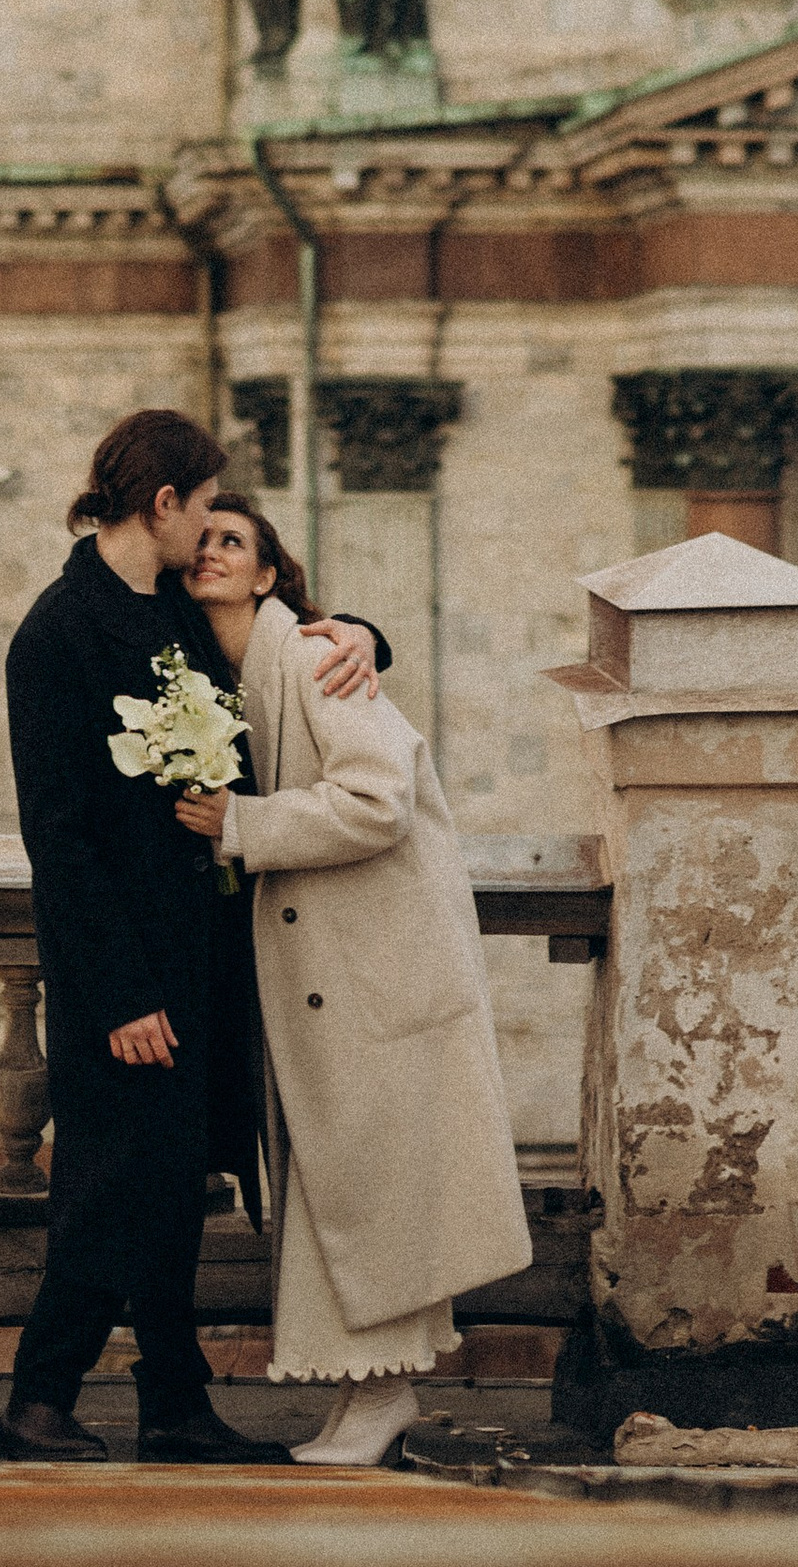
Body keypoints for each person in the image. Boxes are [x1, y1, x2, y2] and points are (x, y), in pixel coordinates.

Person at [0, 407, 386, 1466]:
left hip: (204, 957)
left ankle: (173, 1404)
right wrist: (120, 996)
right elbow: (60, 841)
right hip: (120, 975)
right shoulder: (57, 633)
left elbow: (278, 616)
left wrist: (359, 635)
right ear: (162, 505)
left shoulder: (168, 601)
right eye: (207, 505)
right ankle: (39, 1401)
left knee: (171, 1190)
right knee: (107, 1188)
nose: (215, 527)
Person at [177, 494, 531, 1471]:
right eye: (198, 541)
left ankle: (381, 1400)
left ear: (266, 573)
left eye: (233, 542)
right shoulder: (215, 672)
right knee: (335, 1188)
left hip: (370, 972)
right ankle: (363, 1402)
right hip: (320, 976)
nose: (211, 553)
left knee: (367, 1187)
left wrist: (240, 828)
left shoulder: (313, 657)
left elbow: (376, 801)